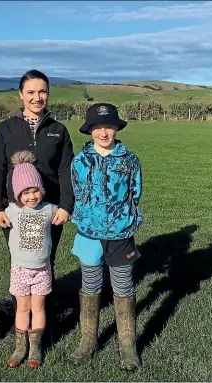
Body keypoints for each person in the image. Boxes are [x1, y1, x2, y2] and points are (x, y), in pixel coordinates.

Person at [0, 69, 74, 331]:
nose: (38, 97)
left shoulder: (58, 130)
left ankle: (42, 317)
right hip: (15, 211)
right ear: (21, 95)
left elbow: (65, 169)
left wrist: (66, 206)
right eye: (31, 92)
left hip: (50, 210)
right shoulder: (5, 129)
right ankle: (20, 316)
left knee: (47, 259)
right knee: (20, 260)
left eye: (43, 91)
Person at [69, 103, 143, 371]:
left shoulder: (130, 160)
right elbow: (77, 192)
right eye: (98, 127)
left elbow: (135, 193)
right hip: (89, 234)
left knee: (123, 287)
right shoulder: (79, 161)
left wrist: (122, 218)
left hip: (121, 234)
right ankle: (88, 341)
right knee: (90, 286)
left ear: (116, 128)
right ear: (89, 130)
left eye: (108, 126)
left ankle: (128, 346)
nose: (103, 132)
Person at [4, 151, 58, 368]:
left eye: (35, 190)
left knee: (39, 308)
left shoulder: (49, 209)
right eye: (25, 192)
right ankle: (20, 347)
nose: (31, 196)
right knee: (22, 308)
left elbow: (65, 212)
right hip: (20, 270)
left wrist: (66, 211)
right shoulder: (13, 211)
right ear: (17, 195)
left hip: (42, 270)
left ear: (41, 191)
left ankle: (36, 348)